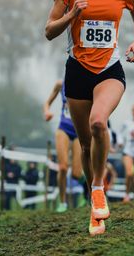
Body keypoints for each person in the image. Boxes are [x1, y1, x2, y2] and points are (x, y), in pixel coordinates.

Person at [45, 0, 134, 236]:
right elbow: (49, 31)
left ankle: (99, 188)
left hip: (109, 71)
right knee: (86, 147)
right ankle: (94, 203)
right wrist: (72, 14)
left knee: (98, 123)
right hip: (77, 72)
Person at [43, 79, 84, 213]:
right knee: (63, 167)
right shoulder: (61, 84)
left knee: (77, 174)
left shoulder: (88, 81)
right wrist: (47, 112)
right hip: (64, 128)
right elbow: (47, 103)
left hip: (80, 130)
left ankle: (85, 186)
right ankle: (62, 202)